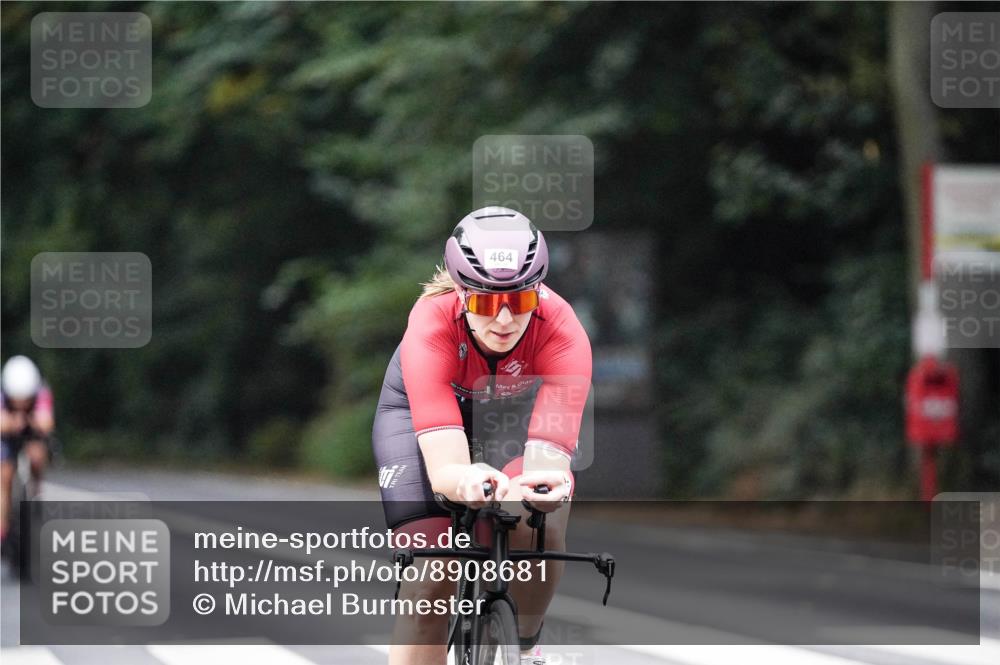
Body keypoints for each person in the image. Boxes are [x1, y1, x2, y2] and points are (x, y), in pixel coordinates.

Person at [373, 207, 592, 665]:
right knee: (431, 577)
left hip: (513, 419)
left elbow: (549, 459)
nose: (505, 320)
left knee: (542, 519)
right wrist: (463, 479)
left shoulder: (562, 329)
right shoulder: (432, 322)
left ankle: (524, 646)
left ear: (539, 291)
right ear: (460, 291)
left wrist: (544, 487)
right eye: (488, 304)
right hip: (424, 418)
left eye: (521, 301)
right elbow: (446, 469)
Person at [1, 355, 54, 543]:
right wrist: (12, 423)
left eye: (25, 400)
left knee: (37, 456)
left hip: (32, 432)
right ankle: (3, 526)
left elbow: (47, 423)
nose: (21, 404)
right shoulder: (2, 393)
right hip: (7, 436)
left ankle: (36, 495)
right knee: (4, 474)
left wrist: (29, 421)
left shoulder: (41, 391)